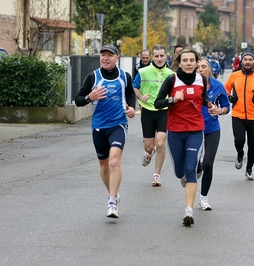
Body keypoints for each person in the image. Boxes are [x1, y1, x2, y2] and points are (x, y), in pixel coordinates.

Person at [154, 48, 215, 226]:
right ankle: (186, 176)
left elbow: (202, 98)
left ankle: (189, 210)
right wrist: (173, 100)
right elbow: (157, 103)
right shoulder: (171, 80)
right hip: (175, 130)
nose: (188, 63)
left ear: (196, 63)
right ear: (179, 63)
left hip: (196, 130)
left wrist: (209, 104)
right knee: (179, 172)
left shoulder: (201, 79)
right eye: (185, 60)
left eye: (191, 60)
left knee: (190, 170)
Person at [74, 44, 136, 219]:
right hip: (99, 127)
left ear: (117, 57)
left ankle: (111, 202)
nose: (106, 58)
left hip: (118, 125)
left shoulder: (125, 76)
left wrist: (131, 108)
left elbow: (130, 93)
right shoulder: (93, 77)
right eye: (103, 55)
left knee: (114, 162)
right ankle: (114, 194)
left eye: (110, 55)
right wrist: (89, 97)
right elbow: (78, 100)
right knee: (104, 165)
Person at [133, 44, 174, 187]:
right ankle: (150, 153)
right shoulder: (143, 72)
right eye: (156, 56)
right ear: (152, 57)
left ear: (166, 56)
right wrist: (140, 96)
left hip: (163, 111)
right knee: (149, 146)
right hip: (148, 111)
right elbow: (135, 86)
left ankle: (157, 175)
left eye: (162, 55)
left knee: (161, 142)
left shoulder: (171, 74)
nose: (159, 58)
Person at [225, 50, 254, 181]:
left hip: (253, 116)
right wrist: (229, 98)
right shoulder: (234, 76)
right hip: (237, 114)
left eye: (250, 60)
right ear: (241, 61)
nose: (248, 62)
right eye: (245, 59)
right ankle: (239, 154)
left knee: (252, 144)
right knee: (239, 141)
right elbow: (225, 89)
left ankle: (249, 169)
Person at [196, 58, 230, 210]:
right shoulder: (190, 86)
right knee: (195, 166)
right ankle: (195, 168)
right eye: (198, 67)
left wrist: (219, 111)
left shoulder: (218, 86)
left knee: (208, 163)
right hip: (194, 128)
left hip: (212, 128)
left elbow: (226, 106)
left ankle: (203, 198)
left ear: (210, 69)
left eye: (204, 67)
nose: (201, 69)